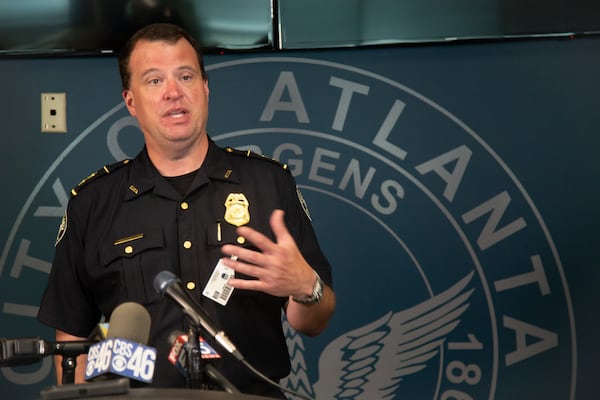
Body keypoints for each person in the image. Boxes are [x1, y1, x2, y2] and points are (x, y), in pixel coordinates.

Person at [37, 22, 335, 399]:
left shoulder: (268, 184)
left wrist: (305, 288)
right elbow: (71, 339)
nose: (173, 93)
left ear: (205, 88)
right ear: (131, 101)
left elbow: (314, 321)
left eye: (186, 76)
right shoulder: (93, 203)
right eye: (154, 81)